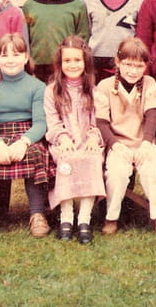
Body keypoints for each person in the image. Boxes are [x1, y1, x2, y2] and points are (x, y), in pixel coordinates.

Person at [0, 33, 52, 238]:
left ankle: (37, 214)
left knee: (36, 153)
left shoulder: (37, 86)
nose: (10, 60)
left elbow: (40, 123)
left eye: (16, 54)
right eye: (4, 55)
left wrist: (24, 142)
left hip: (27, 133)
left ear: (26, 58)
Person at [95, 37, 156, 237]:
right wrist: (114, 145)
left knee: (151, 170)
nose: (133, 71)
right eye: (128, 64)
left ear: (146, 66)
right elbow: (101, 122)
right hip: (118, 143)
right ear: (118, 62)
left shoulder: (149, 83)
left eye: (139, 66)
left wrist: (146, 143)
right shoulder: (105, 86)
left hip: (144, 141)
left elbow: (152, 116)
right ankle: (111, 217)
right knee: (116, 173)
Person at [44, 36, 105, 243]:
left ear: (85, 62)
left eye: (77, 60)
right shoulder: (52, 91)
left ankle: (84, 219)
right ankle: (67, 216)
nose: (72, 65)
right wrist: (62, 138)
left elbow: (98, 122)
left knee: (92, 158)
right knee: (66, 160)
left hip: (88, 141)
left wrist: (93, 138)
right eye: (67, 61)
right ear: (60, 63)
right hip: (63, 142)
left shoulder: (94, 91)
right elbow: (52, 122)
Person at [22, 0, 89, 82]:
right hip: (37, 69)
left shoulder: (77, 6)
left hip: (67, 68)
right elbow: (25, 39)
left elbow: (82, 40)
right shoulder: (30, 6)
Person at [85, 0, 143, 82]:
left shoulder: (139, 1)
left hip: (128, 62)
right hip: (96, 63)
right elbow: (87, 33)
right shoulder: (90, 1)